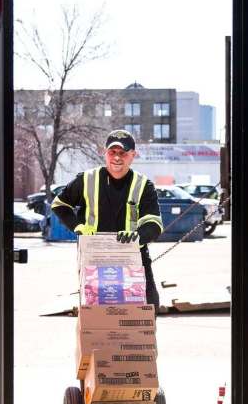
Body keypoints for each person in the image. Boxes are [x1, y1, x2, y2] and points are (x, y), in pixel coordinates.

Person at [50, 129, 165, 307]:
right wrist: (77, 226)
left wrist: (138, 237)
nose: (117, 158)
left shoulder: (143, 185)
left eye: (123, 153)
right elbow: (59, 205)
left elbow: (154, 224)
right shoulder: (87, 179)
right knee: (97, 316)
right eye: (112, 152)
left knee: (148, 308)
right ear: (105, 153)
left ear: (132, 155)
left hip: (134, 258)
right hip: (95, 259)